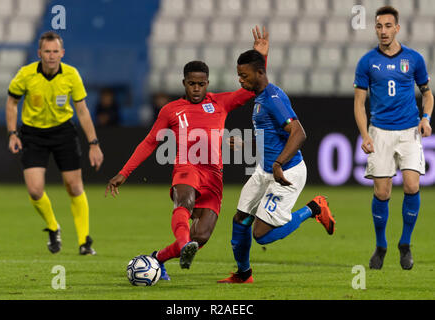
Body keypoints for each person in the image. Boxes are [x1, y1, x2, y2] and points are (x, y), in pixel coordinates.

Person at [105, 26, 269, 280]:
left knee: (201, 235)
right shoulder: (171, 110)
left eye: (201, 84)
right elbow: (150, 142)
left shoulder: (220, 103)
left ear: (207, 84)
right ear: (184, 83)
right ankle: (183, 245)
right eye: (191, 83)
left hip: (214, 175)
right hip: (187, 167)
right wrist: (124, 173)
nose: (196, 88)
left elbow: (251, 89)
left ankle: (157, 258)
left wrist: (260, 58)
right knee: (184, 200)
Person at [217, 50, 336, 284]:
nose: (240, 80)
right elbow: (270, 136)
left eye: (244, 75)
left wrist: (279, 163)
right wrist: (246, 143)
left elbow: (299, 133)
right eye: (238, 75)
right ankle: (243, 274)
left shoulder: (273, 98)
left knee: (261, 234)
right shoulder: (260, 98)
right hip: (264, 171)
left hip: (287, 172)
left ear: (260, 72)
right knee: (241, 218)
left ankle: (313, 208)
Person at [6, 31, 104, 255]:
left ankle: (84, 241)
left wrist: (94, 143)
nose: (51, 56)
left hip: (63, 133)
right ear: (39, 53)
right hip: (32, 134)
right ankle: (53, 227)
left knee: (74, 186)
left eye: (55, 51)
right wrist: (12, 133)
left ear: (62, 53)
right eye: (47, 51)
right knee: (34, 190)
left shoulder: (71, 75)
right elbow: (12, 102)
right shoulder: (26, 74)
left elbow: (82, 110)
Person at [353, 6, 433, 270]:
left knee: (412, 186)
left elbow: (427, 94)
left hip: (409, 130)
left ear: (397, 28)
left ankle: (405, 244)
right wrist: (365, 135)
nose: (383, 31)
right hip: (380, 131)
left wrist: (426, 118)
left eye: (388, 26)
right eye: (379, 26)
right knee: (382, 192)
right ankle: (380, 245)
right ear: (375, 28)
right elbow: (359, 103)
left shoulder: (414, 59)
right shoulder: (367, 62)